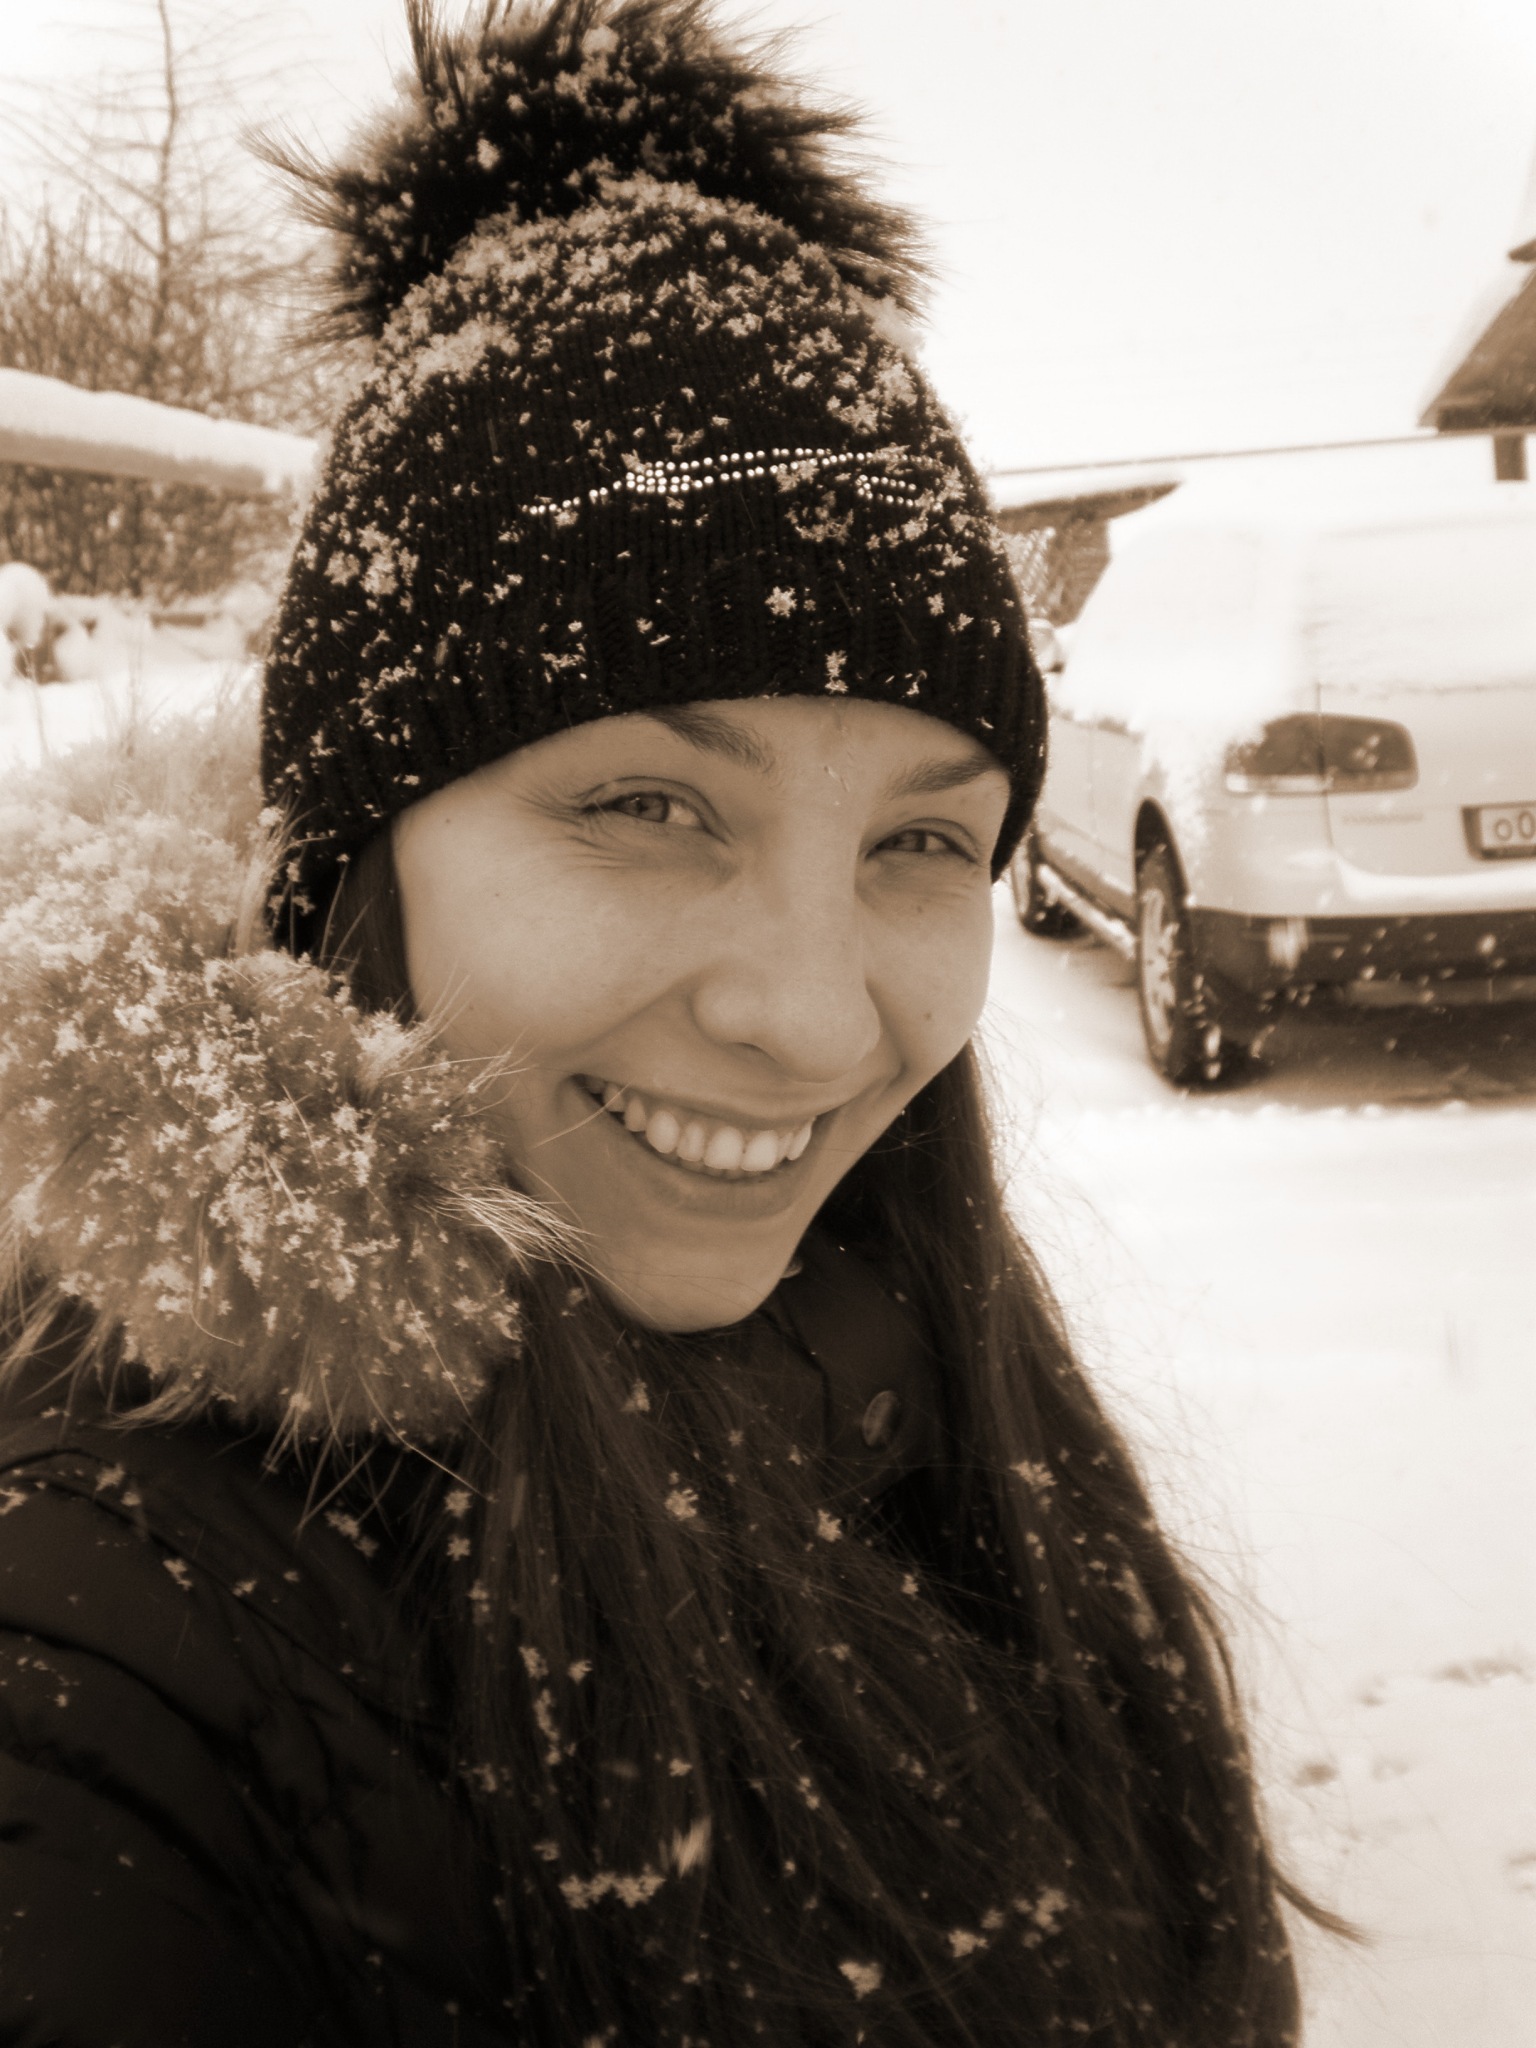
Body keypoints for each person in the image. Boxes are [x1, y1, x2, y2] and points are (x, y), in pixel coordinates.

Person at [0, 2, 1325, 2041]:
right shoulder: (108, 1630)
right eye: (645, 806)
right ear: (354, 853)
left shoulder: (942, 1410)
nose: (809, 1017)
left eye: (920, 842)